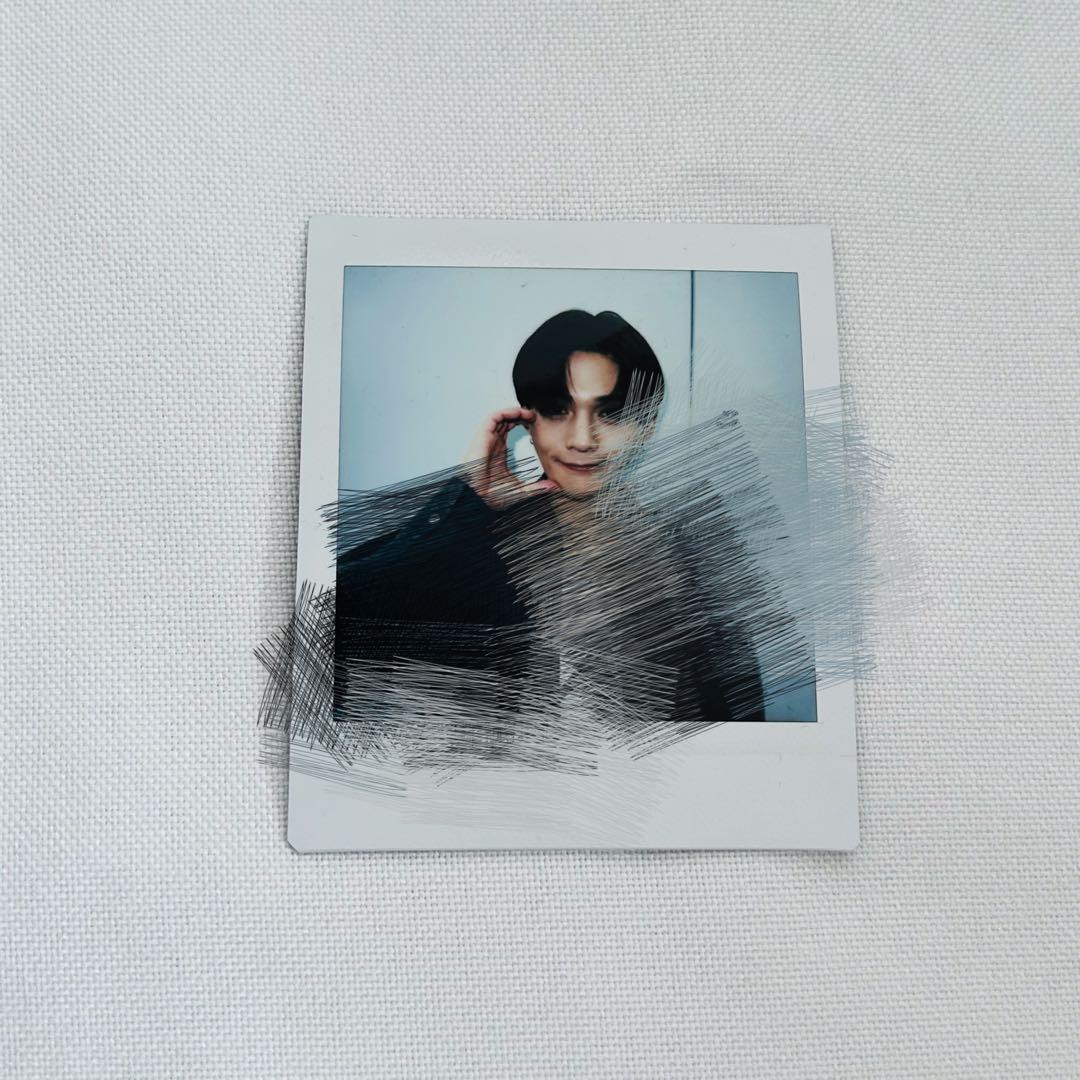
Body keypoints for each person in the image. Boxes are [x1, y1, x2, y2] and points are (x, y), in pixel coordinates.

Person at [334, 310, 765, 749]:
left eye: (611, 414)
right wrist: (466, 498)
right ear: (527, 422)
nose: (582, 439)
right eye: (558, 410)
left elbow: (737, 721)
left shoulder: (694, 560)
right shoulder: (469, 542)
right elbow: (340, 620)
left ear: (647, 428)